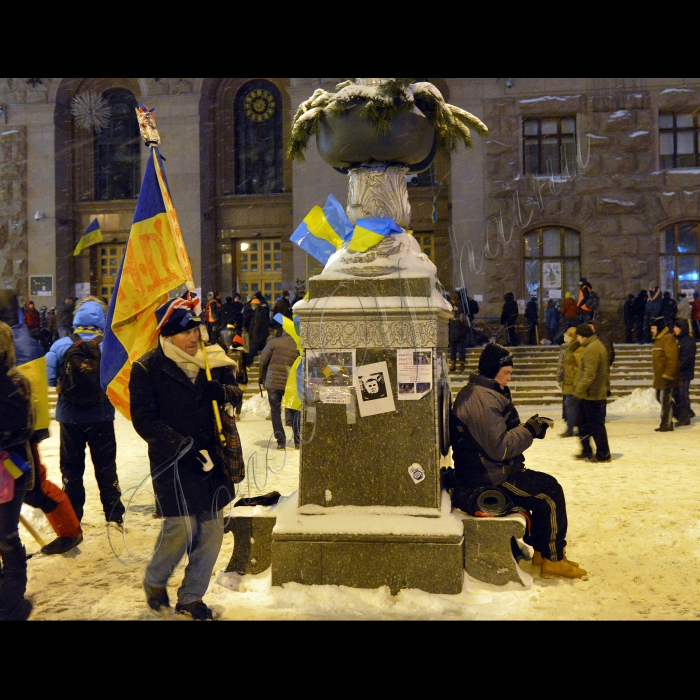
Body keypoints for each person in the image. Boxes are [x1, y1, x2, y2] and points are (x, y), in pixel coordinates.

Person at [130, 298, 243, 621]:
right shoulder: (147, 368)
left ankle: (192, 598)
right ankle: (155, 580)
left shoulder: (215, 360)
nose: (195, 338)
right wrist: (182, 447)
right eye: (186, 332)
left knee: (211, 529)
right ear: (167, 335)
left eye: (196, 330)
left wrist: (220, 392)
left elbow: (237, 392)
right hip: (173, 461)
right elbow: (145, 420)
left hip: (213, 459)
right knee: (180, 526)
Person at [449, 342, 587, 579]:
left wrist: (528, 429)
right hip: (488, 477)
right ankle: (553, 560)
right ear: (493, 370)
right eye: (506, 373)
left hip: (491, 470)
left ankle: (543, 554)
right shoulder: (480, 399)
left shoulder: (484, 393)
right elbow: (500, 448)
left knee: (545, 488)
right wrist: (530, 430)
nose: (509, 379)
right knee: (550, 492)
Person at [46, 298, 125, 526]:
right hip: (101, 415)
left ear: (77, 319)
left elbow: (50, 380)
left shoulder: (60, 346)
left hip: (70, 418)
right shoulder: (109, 347)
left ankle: (72, 519)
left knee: (71, 470)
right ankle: (114, 516)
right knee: (106, 468)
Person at [0, 321, 35, 621]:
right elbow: (26, 427)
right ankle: (11, 605)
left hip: (9, 465)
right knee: (7, 534)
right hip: (11, 467)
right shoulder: (18, 381)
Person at [573, 324, 612, 463]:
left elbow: (589, 374)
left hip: (593, 394)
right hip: (591, 393)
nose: (577, 339)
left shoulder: (592, 349)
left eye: (577, 336)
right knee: (584, 423)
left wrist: (578, 391)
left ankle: (603, 454)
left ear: (583, 336)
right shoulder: (594, 346)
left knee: (596, 425)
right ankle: (587, 451)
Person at [260, 324, 301, 451]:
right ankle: (298, 441)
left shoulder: (274, 343)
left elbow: (263, 360)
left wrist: (261, 377)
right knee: (294, 411)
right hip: (291, 383)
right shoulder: (298, 346)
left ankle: (281, 442)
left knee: (275, 411)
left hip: (273, 382)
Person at [650, 316, 680, 433]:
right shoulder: (659, 340)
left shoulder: (667, 339)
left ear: (659, 328)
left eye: (653, 328)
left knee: (665, 399)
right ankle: (680, 414)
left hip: (666, 377)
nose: (651, 330)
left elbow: (672, 359)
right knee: (660, 398)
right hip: (660, 377)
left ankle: (666, 423)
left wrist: (668, 375)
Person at [558, 327, 583, 438]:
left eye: (566, 335)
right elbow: (562, 365)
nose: (565, 337)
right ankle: (573, 427)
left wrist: (572, 376)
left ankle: (572, 428)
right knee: (571, 405)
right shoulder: (567, 347)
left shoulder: (576, 348)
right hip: (568, 381)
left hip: (573, 381)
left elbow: (578, 365)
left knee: (571, 404)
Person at [672, 319, 696, 427]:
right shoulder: (678, 340)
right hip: (679, 373)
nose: (674, 329)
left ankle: (685, 417)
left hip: (684, 373)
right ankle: (687, 412)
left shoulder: (688, 341)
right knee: (677, 394)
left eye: (676, 327)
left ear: (681, 328)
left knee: (682, 394)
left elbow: (687, 358)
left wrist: (678, 367)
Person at [245, 294, 271, 367]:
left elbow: (257, 324)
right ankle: (263, 365)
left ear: (254, 305)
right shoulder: (262, 311)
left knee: (253, 350)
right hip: (263, 335)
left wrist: (253, 334)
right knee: (264, 350)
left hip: (258, 336)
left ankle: (248, 363)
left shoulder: (257, 312)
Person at [449, 304, 469, 373]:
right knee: (453, 351)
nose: (455, 308)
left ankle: (461, 364)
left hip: (460, 336)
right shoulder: (450, 315)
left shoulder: (462, 315)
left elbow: (467, 326)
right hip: (452, 336)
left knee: (461, 351)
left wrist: (463, 333)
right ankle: (453, 364)